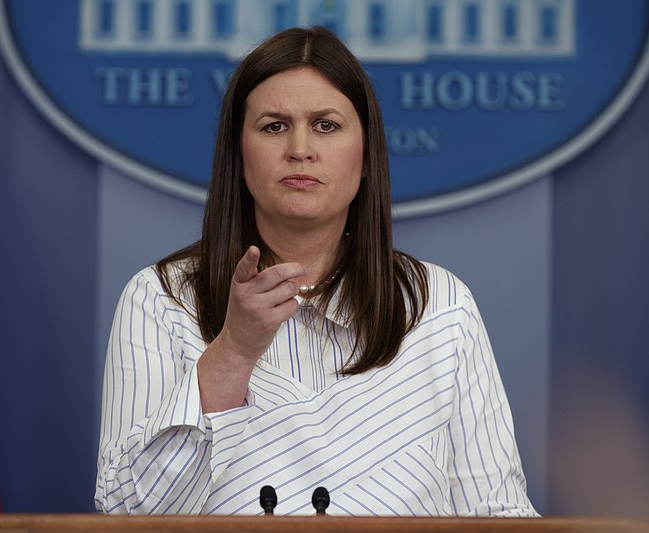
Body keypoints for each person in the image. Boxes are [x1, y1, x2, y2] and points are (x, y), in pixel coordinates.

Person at [95, 26, 538, 517]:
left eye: (326, 125)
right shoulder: (161, 299)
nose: (300, 148)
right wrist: (235, 349)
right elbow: (127, 514)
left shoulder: (438, 305)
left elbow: (499, 516)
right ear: (238, 156)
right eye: (274, 126)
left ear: (366, 156)